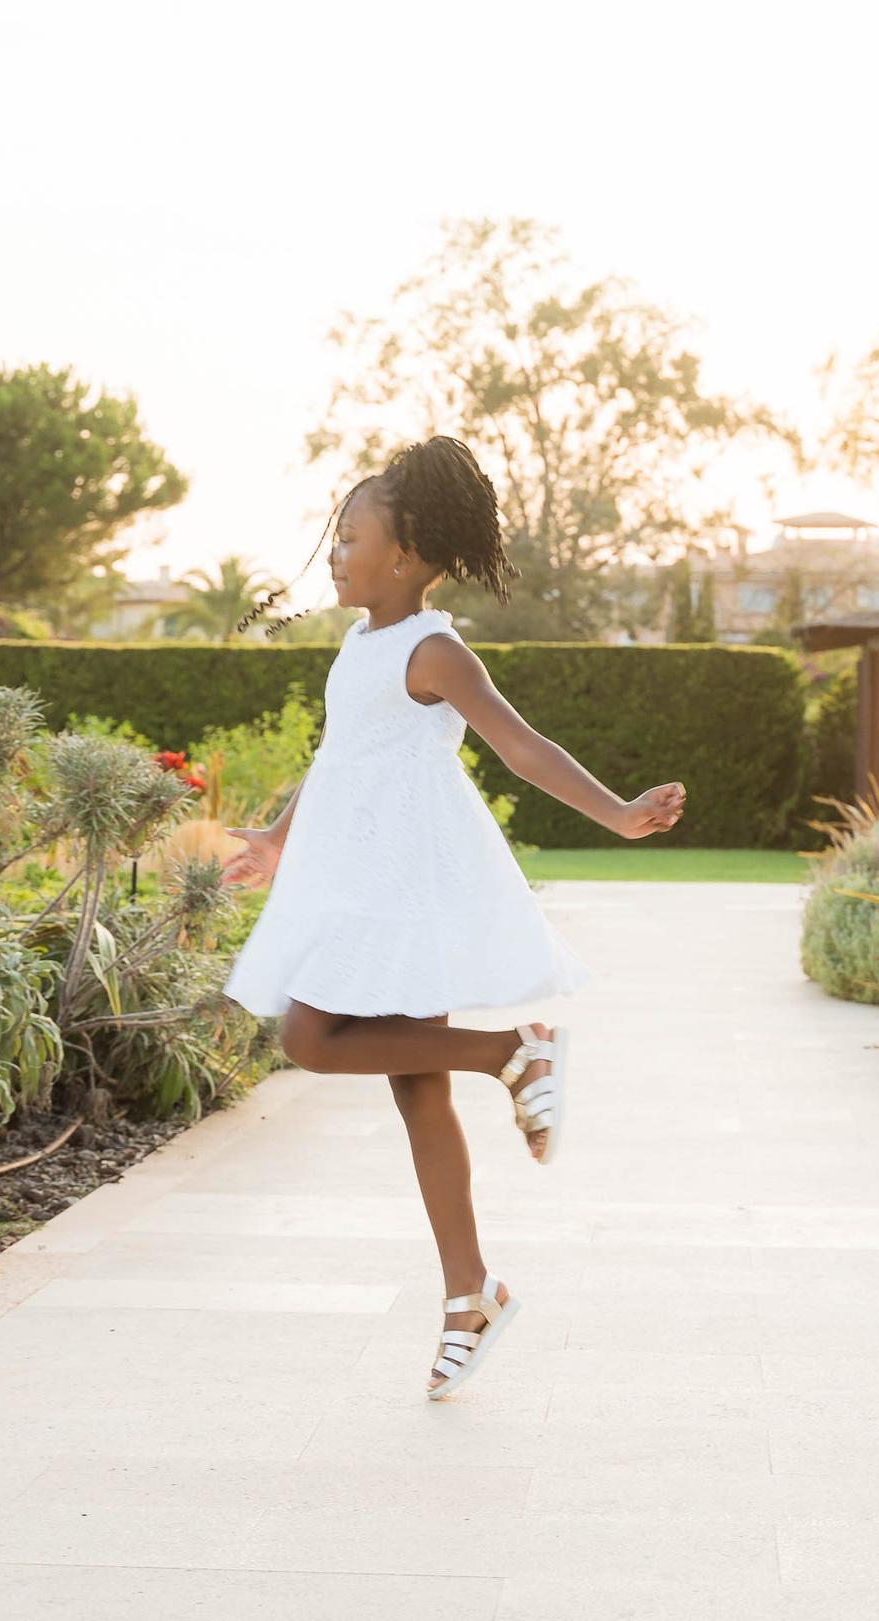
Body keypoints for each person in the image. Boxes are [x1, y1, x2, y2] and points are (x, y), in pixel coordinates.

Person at [221, 436, 685, 1398]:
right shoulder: (358, 644)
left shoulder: (435, 649)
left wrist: (620, 813)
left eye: (352, 537)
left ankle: (511, 1056)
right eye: (335, 536)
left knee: (316, 1040)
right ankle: (471, 1290)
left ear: (410, 556)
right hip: (359, 884)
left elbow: (521, 747)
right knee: (401, 1081)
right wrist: (274, 836)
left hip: (409, 886)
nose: (336, 553)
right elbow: (340, 751)